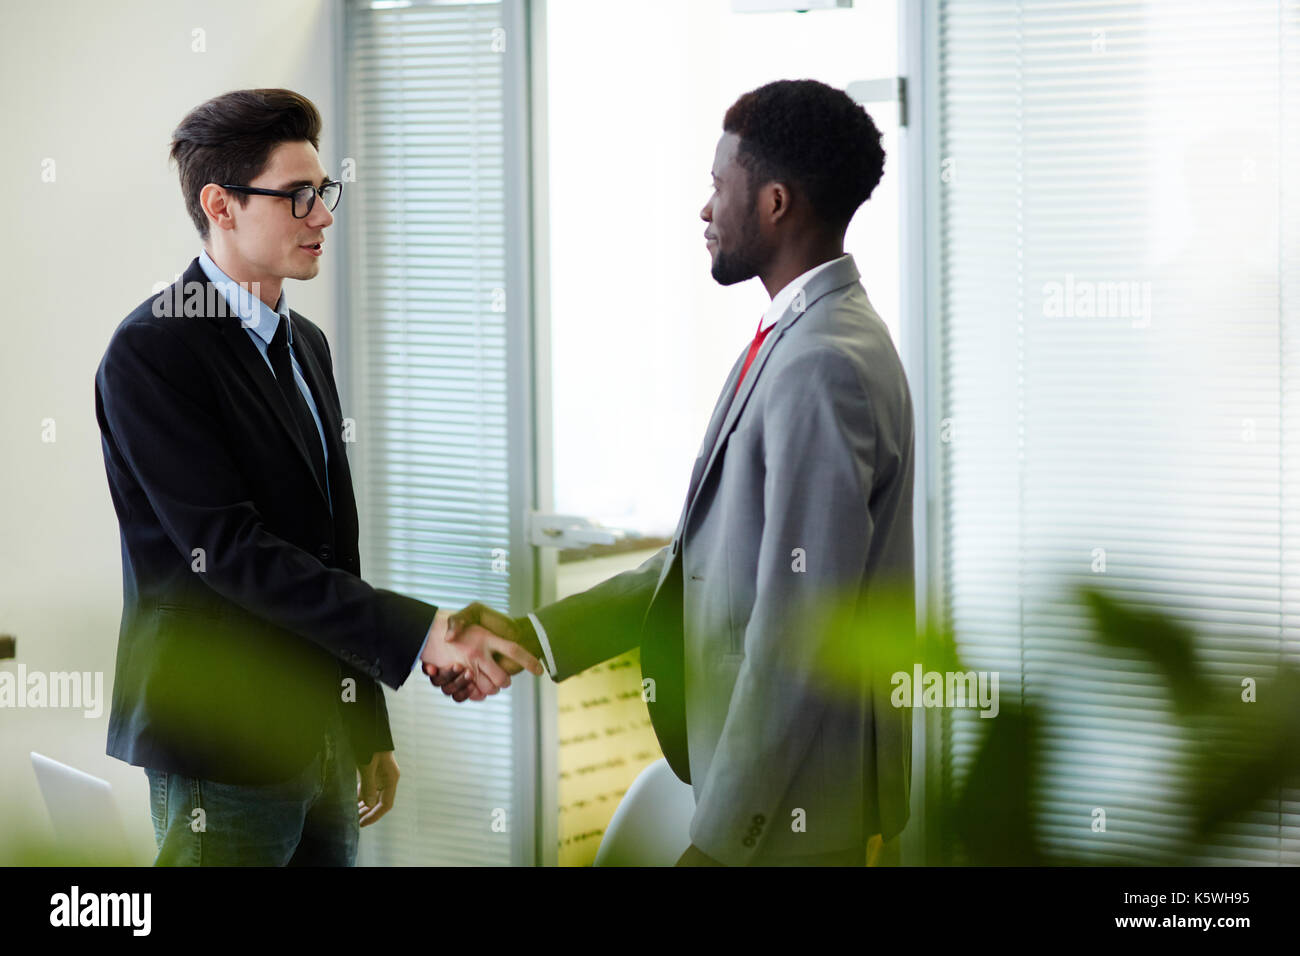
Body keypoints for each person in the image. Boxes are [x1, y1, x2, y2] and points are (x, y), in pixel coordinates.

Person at [431, 79, 916, 866]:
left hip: (796, 819)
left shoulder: (823, 362)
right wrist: (535, 636)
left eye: (718, 186)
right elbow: (706, 564)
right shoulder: (795, 337)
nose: (704, 209)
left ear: (775, 202)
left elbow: (799, 630)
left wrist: (722, 847)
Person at [94, 88, 541, 866]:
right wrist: (424, 632)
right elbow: (231, 552)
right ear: (220, 205)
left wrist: (364, 724)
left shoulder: (306, 343)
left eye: (323, 192)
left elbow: (334, 546)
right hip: (220, 748)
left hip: (326, 737)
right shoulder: (154, 350)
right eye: (299, 196)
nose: (323, 215)